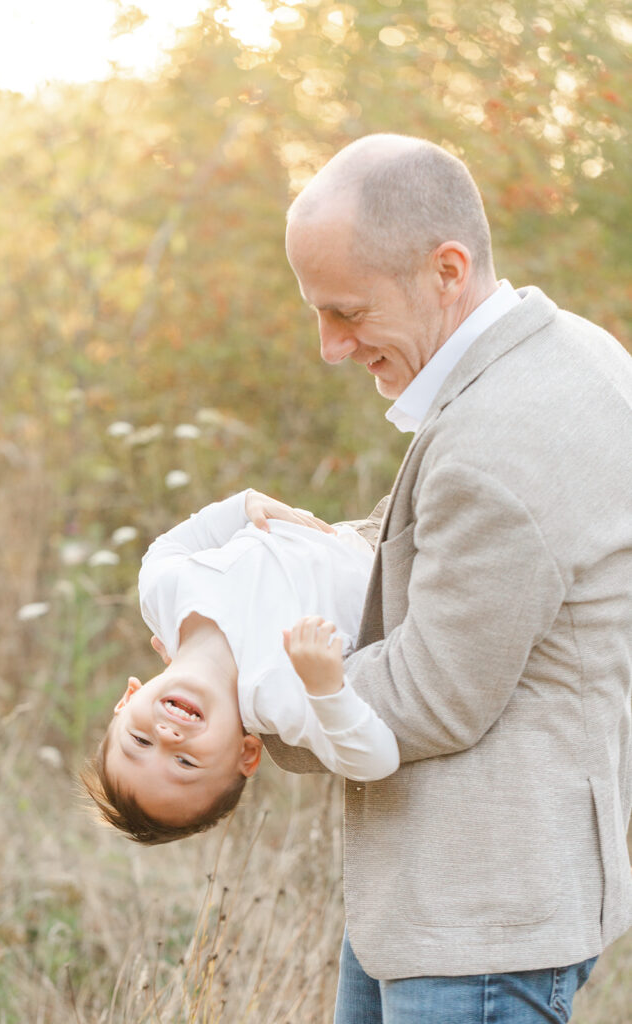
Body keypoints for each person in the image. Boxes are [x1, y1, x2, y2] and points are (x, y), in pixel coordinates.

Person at [259, 133, 632, 1023]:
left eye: (346, 313)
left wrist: (245, 694)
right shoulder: (562, 353)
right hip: (447, 898)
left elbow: (431, 692)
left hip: (479, 920)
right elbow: (472, 561)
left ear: (446, 270)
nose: (330, 347)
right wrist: (307, 548)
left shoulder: (499, 440)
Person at [81, 488, 399, 844]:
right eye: (185, 763)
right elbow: (377, 762)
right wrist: (327, 690)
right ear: (246, 754)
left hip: (361, 526)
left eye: (140, 740)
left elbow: (167, 547)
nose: (168, 737)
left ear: (126, 700)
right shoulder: (281, 696)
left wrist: (244, 505)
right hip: (395, 571)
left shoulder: (161, 597)